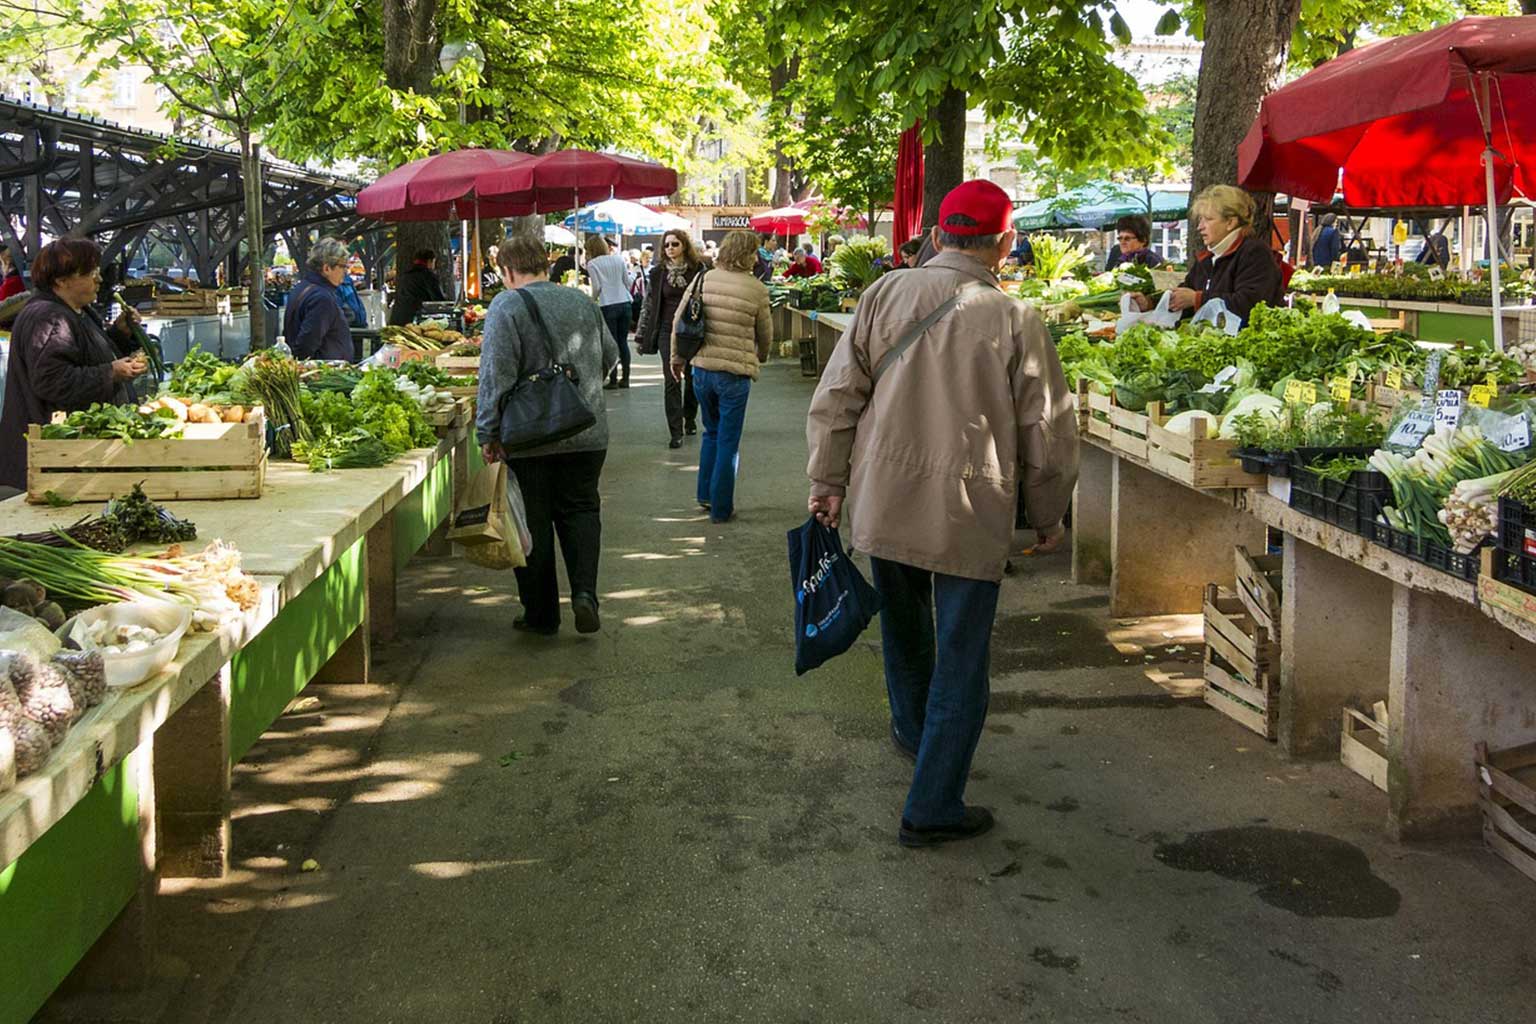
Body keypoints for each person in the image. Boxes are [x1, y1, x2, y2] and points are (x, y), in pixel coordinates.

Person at [804, 180, 1080, 848]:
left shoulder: (883, 294)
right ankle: (933, 802)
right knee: (962, 657)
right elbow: (1047, 430)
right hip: (968, 509)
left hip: (885, 496)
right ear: (1006, 244)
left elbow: (838, 394)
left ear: (935, 236)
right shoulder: (1016, 318)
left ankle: (912, 731)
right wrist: (1047, 516)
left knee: (904, 631)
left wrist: (827, 480)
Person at [476, 235, 619, 637]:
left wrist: (487, 431)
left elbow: (496, 375)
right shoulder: (581, 301)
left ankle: (541, 615)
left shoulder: (506, 305)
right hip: (587, 429)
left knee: (532, 522)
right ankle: (585, 595)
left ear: (506, 270)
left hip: (529, 435)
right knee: (581, 511)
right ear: (545, 263)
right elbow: (610, 356)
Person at [0, 238, 147, 490]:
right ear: (61, 280)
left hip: (68, 456)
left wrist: (119, 334)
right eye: (90, 273)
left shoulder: (75, 311)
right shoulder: (49, 317)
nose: (98, 280)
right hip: (53, 459)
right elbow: (53, 382)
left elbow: (85, 355)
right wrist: (110, 372)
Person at [669, 230, 771, 524]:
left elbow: (680, 319)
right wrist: (760, 356)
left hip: (701, 370)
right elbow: (765, 334)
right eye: (754, 252)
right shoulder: (756, 289)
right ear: (747, 255)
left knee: (711, 433)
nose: (756, 257)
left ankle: (705, 494)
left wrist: (677, 358)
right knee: (728, 439)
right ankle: (721, 508)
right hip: (734, 375)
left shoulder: (704, 279)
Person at [1129, 185, 1283, 324]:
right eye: (1200, 219)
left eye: (1208, 219)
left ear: (1230, 223)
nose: (1200, 227)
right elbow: (1184, 294)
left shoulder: (1254, 253)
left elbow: (1249, 304)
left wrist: (1197, 299)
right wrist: (1149, 303)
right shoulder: (1209, 258)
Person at [635, 229, 703, 448]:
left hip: (691, 330)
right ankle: (676, 431)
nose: (670, 249)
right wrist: (641, 334)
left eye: (675, 244)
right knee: (671, 379)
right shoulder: (658, 273)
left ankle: (689, 417)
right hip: (666, 331)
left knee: (692, 378)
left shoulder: (698, 270)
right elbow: (648, 303)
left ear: (684, 245)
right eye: (666, 245)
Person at [282, 237, 354, 361]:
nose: (345, 272)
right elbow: (307, 343)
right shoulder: (322, 298)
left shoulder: (303, 287)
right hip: (322, 373)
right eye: (343, 267)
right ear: (327, 268)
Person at [585, 235, 634, 390]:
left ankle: (613, 379)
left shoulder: (592, 264)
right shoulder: (618, 259)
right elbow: (627, 282)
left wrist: (592, 301)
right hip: (625, 302)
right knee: (623, 342)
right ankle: (625, 378)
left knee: (611, 344)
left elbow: (597, 287)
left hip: (608, 304)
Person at [388, 249, 445, 326]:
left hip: (397, 319)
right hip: (416, 320)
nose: (434, 266)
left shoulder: (405, 276)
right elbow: (438, 299)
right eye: (433, 262)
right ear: (429, 261)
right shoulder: (428, 276)